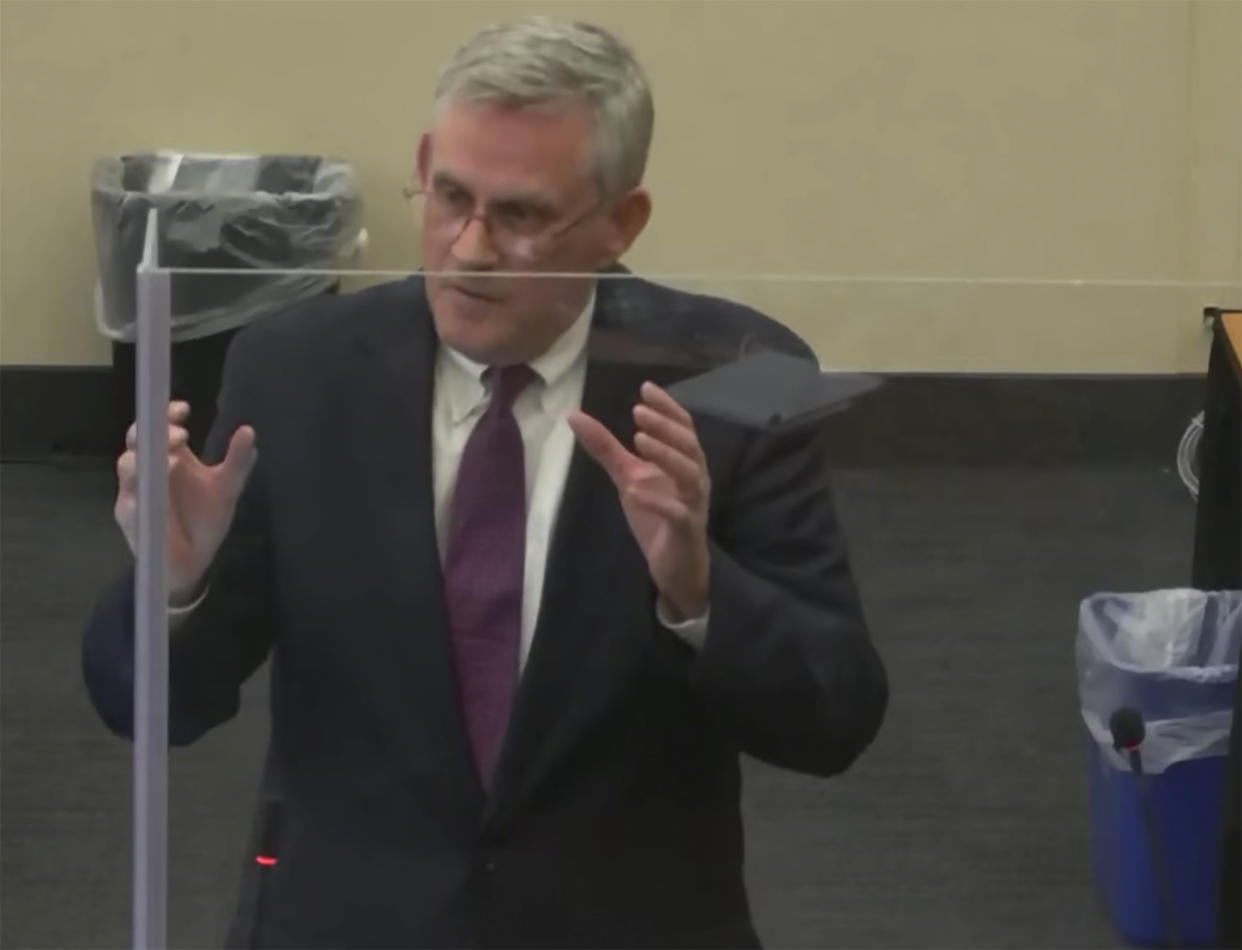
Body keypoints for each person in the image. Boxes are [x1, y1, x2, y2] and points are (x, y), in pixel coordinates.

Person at [82, 17, 888, 949]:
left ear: (622, 221)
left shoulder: (743, 375)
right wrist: (175, 586)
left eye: (520, 215)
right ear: (424, 161)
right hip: (349, 919)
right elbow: (146, 710)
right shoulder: (294, 372)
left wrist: (699, 590)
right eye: (450, 196)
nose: (467, 250)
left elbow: (837, 718)